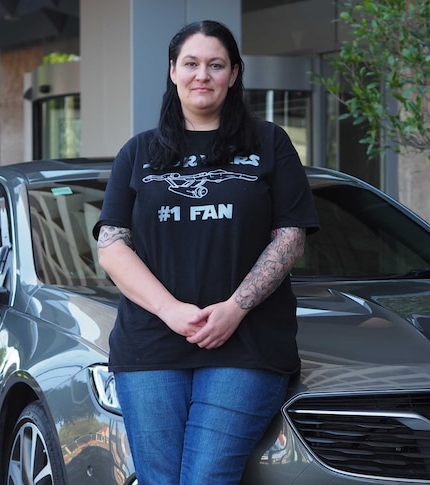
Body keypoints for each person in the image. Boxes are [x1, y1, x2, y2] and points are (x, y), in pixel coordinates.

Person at [93, 20, 319, 485]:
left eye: (215, 65)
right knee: (159, 479)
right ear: (173, 71)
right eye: (191, 64)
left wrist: (235, 309)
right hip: (151, 345)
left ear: (234, 74)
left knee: (206, 477)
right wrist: (171, 310)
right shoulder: (138, 153)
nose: (203, 75)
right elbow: (113, 246)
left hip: (246, 343)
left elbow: (290, 238)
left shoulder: (270, 143)